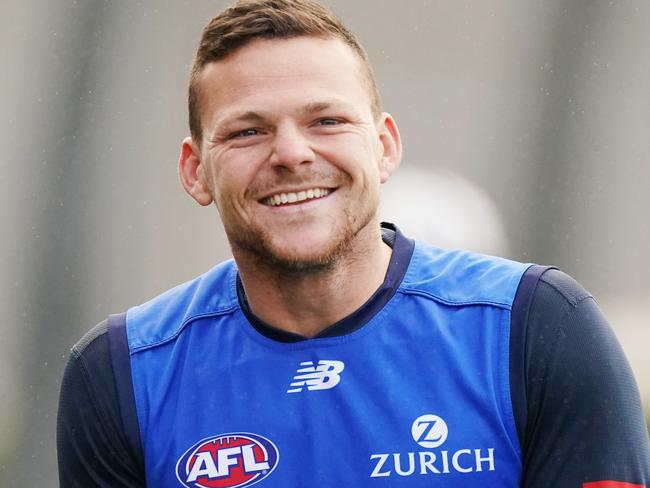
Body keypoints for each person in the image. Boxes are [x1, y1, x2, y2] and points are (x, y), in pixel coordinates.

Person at [56, 0, 650, 486]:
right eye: (247, 131)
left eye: (327, 121)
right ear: (195, 171)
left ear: (385, 146)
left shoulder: (537, 327)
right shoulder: (120, 374)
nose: (290, 154)